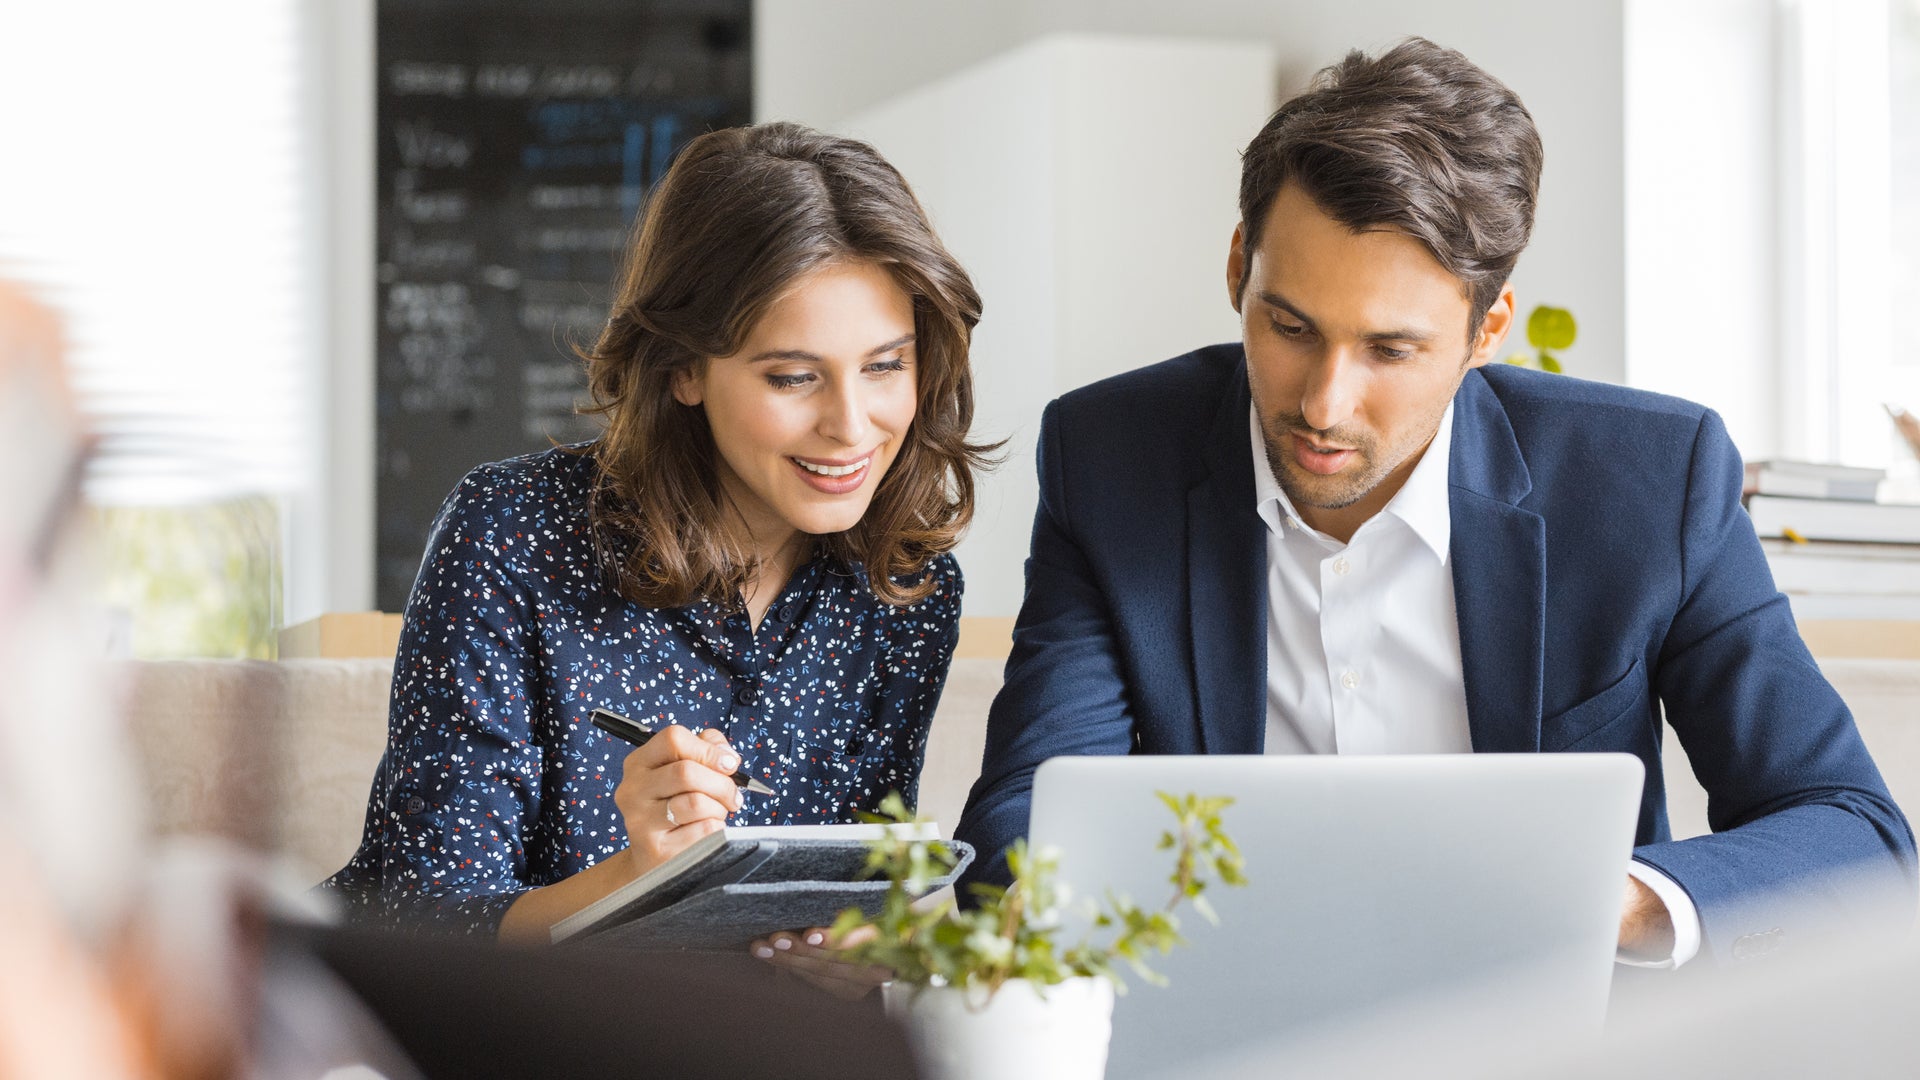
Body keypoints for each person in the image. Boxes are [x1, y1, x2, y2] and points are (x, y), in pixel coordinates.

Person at [954, 39, 1914, 967]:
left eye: (1391, 349)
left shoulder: (1652, 479)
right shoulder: (1113, 454)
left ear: (1486, 327)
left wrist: (1603, 903)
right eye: (1289, 325)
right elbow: (1024, 820)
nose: (1323, 404)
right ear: (1240, 262)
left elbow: (1853, 830)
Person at [326, 123, 994, 983]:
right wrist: (640, 879)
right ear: (684, 370)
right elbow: (418, 921)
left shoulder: (909, 591)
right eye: (792, 377)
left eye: (885, 366)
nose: (852, 426)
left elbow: (851, 902)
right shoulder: (509, 534)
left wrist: (865, 957)